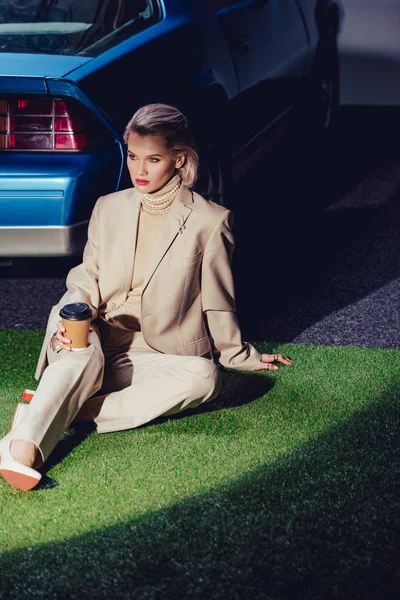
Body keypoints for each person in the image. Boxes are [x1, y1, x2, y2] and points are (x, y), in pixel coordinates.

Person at [0, 103, 292, 491]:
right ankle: (23, 448)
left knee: (205, 378)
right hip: (93, 335)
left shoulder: (210, 220)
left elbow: (218, 299)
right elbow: (87, 277)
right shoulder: (109, 208)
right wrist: (74, 319)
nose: (139, 170)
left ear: (180, 158)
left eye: (153, 159)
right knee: (81, 351)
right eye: (134, 157)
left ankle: (54, 409)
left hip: (155, 352)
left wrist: (239, 355)